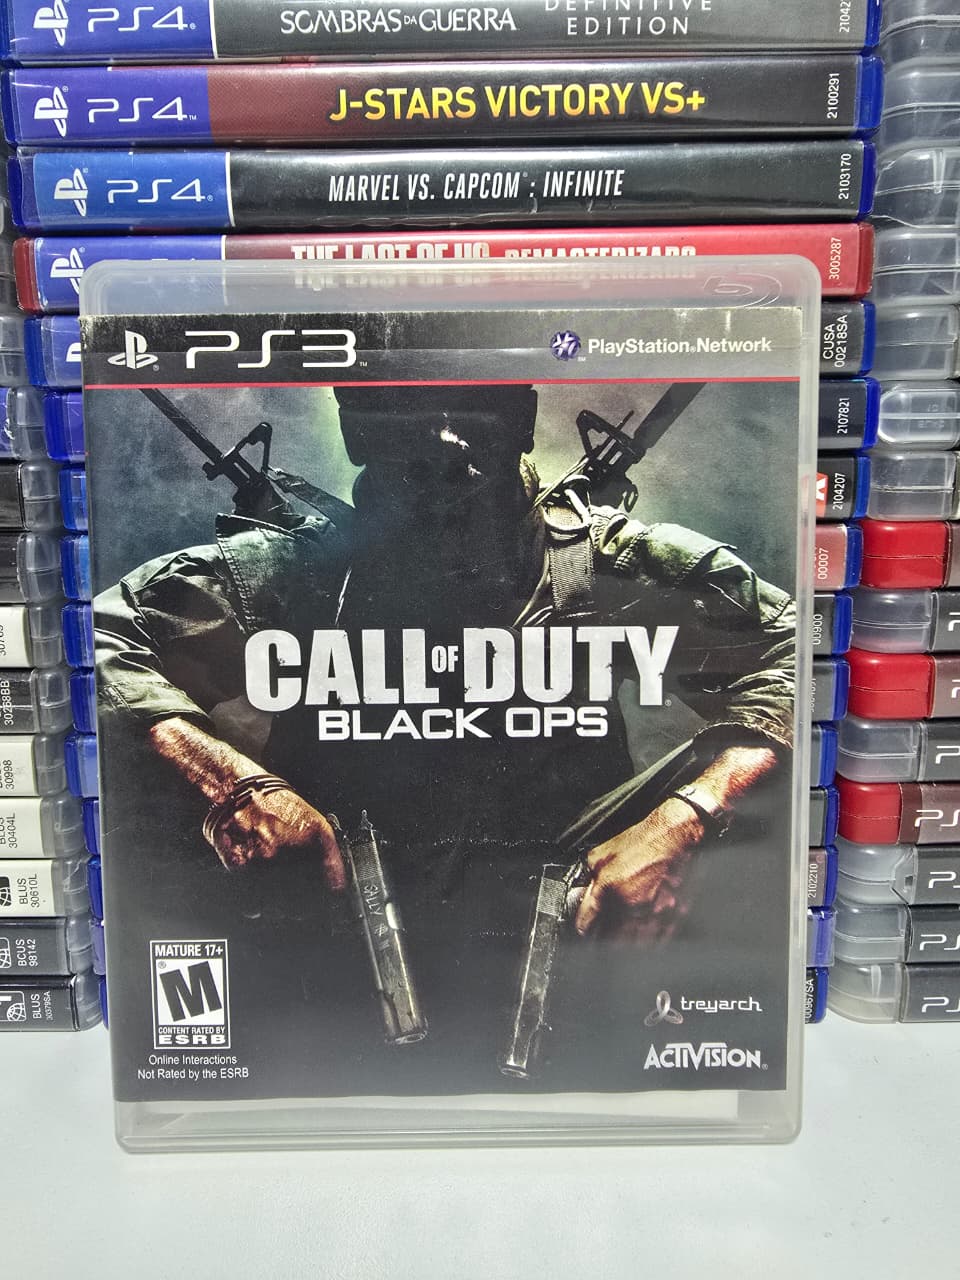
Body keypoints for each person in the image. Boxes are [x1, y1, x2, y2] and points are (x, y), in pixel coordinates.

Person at [95, 382, 796, 1090]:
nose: (443, 438)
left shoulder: (603, 563)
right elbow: (93, 637)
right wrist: (232, 787)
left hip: (576, 946)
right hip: (340, 960)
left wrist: (690, 817)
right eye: (408, 413)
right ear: (356, 431)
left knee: (754, 777)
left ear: (521, 420)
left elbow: (804, 649)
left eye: (472, 407)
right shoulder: (298, 569)